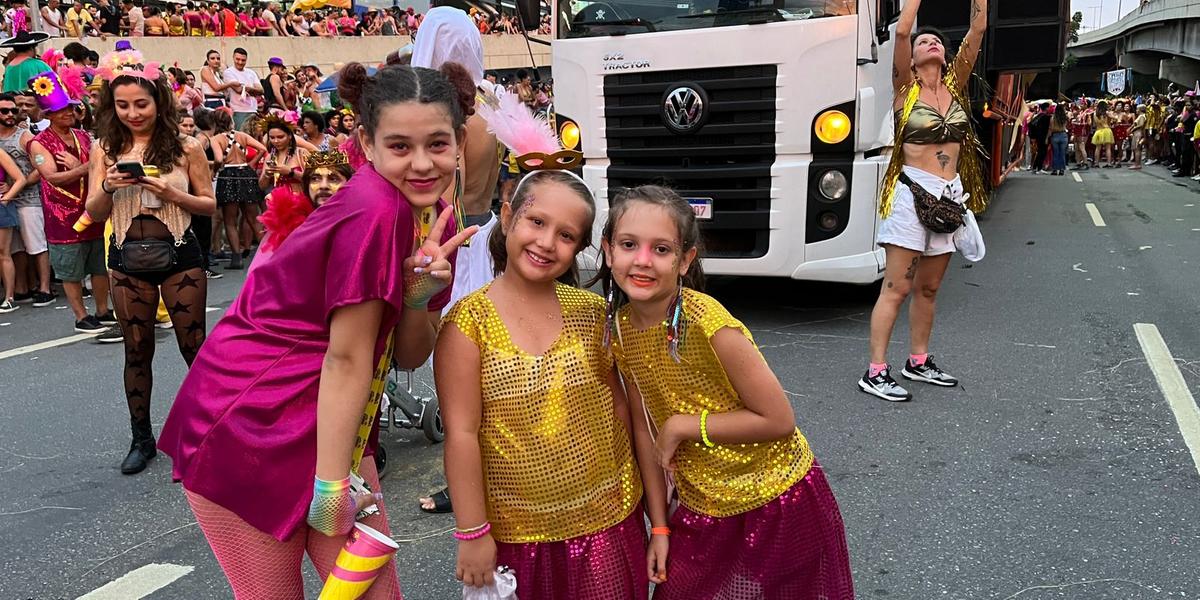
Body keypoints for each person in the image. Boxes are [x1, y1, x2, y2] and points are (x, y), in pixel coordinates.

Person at [158, 62, 477, 598]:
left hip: (333, 432)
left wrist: (418, 299)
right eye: (399, 146)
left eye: (437, 144)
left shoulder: (429, 212)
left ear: (460, 141)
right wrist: (331, 486)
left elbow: (408, 357)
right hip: (253, 428)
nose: (422, 163)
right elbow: (348, 359)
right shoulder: (377, 209)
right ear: (366, 144)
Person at [594, 185, 854, 599]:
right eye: (629, 245)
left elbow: (779, 419)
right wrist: (659, 526)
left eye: (661, 250)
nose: (642, 261)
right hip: (700, 506)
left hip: (774, 502)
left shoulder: (710, 324)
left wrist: (683, 426)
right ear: (609, 251)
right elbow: (645, 432)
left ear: (685, 260)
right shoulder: (621, 329)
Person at [439, 168, 644, 596]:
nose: (547, 243)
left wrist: (654, 508)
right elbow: (461, 434)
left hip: (608, 519)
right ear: (509, 216)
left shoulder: (593, 313)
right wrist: (472, 532)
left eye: (566, 235)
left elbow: (622, 408)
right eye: (537, 222)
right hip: (518, 534)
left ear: (581, 248)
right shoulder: (467, 322)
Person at [83, 49, 215, 474]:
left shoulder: (186, 146)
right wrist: (108, 182)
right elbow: (95, 210)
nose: (133, 113)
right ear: (111, 106)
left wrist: (172, 194)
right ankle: (142, 440)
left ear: (159, 101)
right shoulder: (104, 148)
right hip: (125, 257)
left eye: (141, 103)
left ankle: (210, 434)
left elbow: (209, 205)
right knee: (136, 350)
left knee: (193, 348)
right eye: (122, 105)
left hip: (179, 253)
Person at [861, 0, 987, 402]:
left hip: (948, 200)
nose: (930, 43)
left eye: (936, 41)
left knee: (929, 291)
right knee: (896, 288)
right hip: (911, 197)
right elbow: (901, 31)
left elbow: (978, 31)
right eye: (924, 41)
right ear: (912, 59)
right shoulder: (904, 90)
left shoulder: (954, 88)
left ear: (944, 55)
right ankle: (875, 371)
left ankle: (917, 361)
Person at [411, 4, 501, 516]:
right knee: (484, 369)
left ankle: (466, 483)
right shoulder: (491, 105)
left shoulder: (451, 113)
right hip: (485, 239)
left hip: (454, 246)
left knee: (458, 373)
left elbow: (447, 187)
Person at [27, 70, 112, 334]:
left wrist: (83, 166)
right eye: (62, 110)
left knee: (99, 264)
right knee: (70, 268)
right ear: (49, 114)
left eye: (71, 109)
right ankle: (80, 316)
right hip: (62, 215)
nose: (69, 114)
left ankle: (102, 309)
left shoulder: (84, 137)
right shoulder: (38, 144)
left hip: (92, 209)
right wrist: (86, 166)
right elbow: (52, 177)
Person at [0, 92, 52, 309]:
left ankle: (45, 289)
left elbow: (41, 166)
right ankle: (21, 289)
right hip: (9, 201)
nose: (11, 114)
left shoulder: (25, 136)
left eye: (14, 110)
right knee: (16, 249)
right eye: (5, 111)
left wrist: (17, 186)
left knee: (36, 245)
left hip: (29, 199)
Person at [212, 108, 267, 270]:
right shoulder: (241, 136)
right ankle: (267, 254)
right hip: (246, 173)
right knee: (252, 216)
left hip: (228, 175)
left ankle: (236, 258)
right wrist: (252, 163)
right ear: (231, 121)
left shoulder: (216, 139)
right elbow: (262, 149)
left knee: (230, 220)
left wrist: (215, 170)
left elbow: (218, 158)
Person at [223, 48, 263, 130]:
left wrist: (246, 88)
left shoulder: (251, 72)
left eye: (243, 60)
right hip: (238, 111)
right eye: (238, 59)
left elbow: (261, 90)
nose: (240, 62)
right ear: (233, 57)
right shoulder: (228, 72)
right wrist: (253, 90)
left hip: (253, 110)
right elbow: (239, 90)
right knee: (241, 137)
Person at [1048, 101, 1069, 176]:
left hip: (1055, 135)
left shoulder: (1053, 118)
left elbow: (1051, 128)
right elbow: (1067, 126)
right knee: (1062, 153)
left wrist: (1047, 137)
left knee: (1055, 153)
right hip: (1063, 135)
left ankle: (1054, 169)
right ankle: (1061, 170)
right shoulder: (1065, 118)